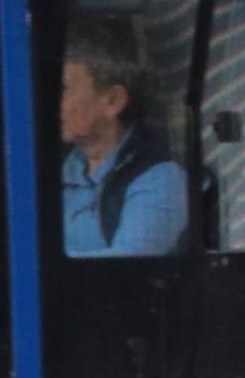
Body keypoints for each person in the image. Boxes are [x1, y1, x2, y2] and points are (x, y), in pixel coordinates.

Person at [57, 42, 189, 257]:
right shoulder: (58, 165)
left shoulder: (161, 178)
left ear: (113, 101)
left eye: (62, 89)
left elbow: (126, 265)